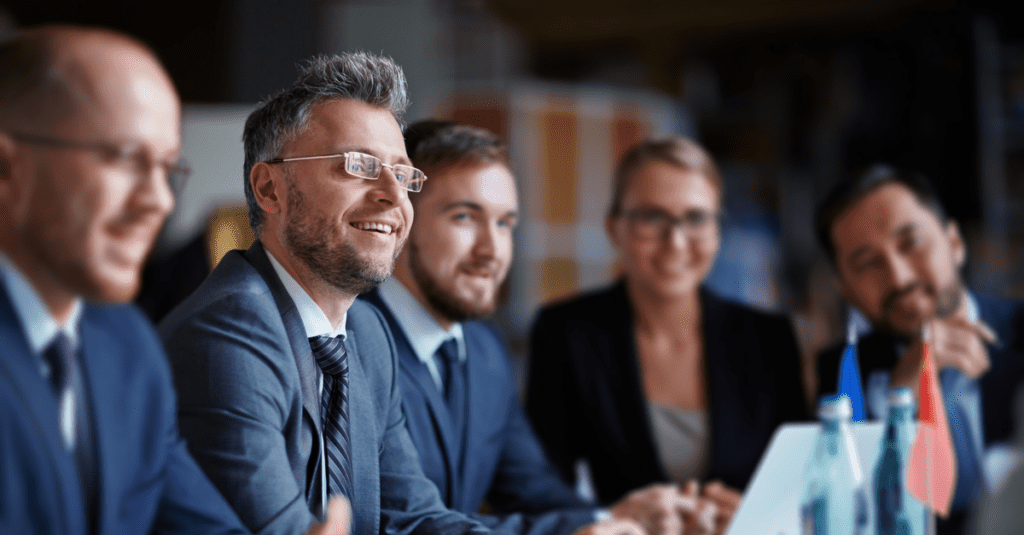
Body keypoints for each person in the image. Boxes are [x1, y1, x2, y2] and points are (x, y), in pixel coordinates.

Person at [0, 25, 348, 535]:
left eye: (166, 168)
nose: (159, 202)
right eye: (123, 157)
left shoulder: (126, 345)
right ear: (8, 169)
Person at [158, 52, 512, 535]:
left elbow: (413, 518)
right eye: (359, 166)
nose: (393, 195)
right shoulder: (226, 335)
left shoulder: (367, 333)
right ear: (270, 189)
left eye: (404, 174)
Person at [361, 121, 710, 535]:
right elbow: (395, 523)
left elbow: (533, 488)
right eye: (464, 217)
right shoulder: (352, 342)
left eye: (505, 224)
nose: (491, 251)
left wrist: (618, 520)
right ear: (402, 217)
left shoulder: (485, 349)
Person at [527, 137, 809, 535]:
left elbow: (801, 486)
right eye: (651, 218)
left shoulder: (770, 339)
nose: (676, 241)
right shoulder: (566, 333)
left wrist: (754, 516)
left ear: (718, 230)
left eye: (696, 218)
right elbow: (540, 485)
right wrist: (614, 519)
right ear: (615, 229)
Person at [814, 164, 1024, 535]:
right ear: (844, 289)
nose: (899, 277)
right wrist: (903, 395)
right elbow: (850, 516)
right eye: (867, 264)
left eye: (911, 243)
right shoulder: (840, 373)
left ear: (955, 244)